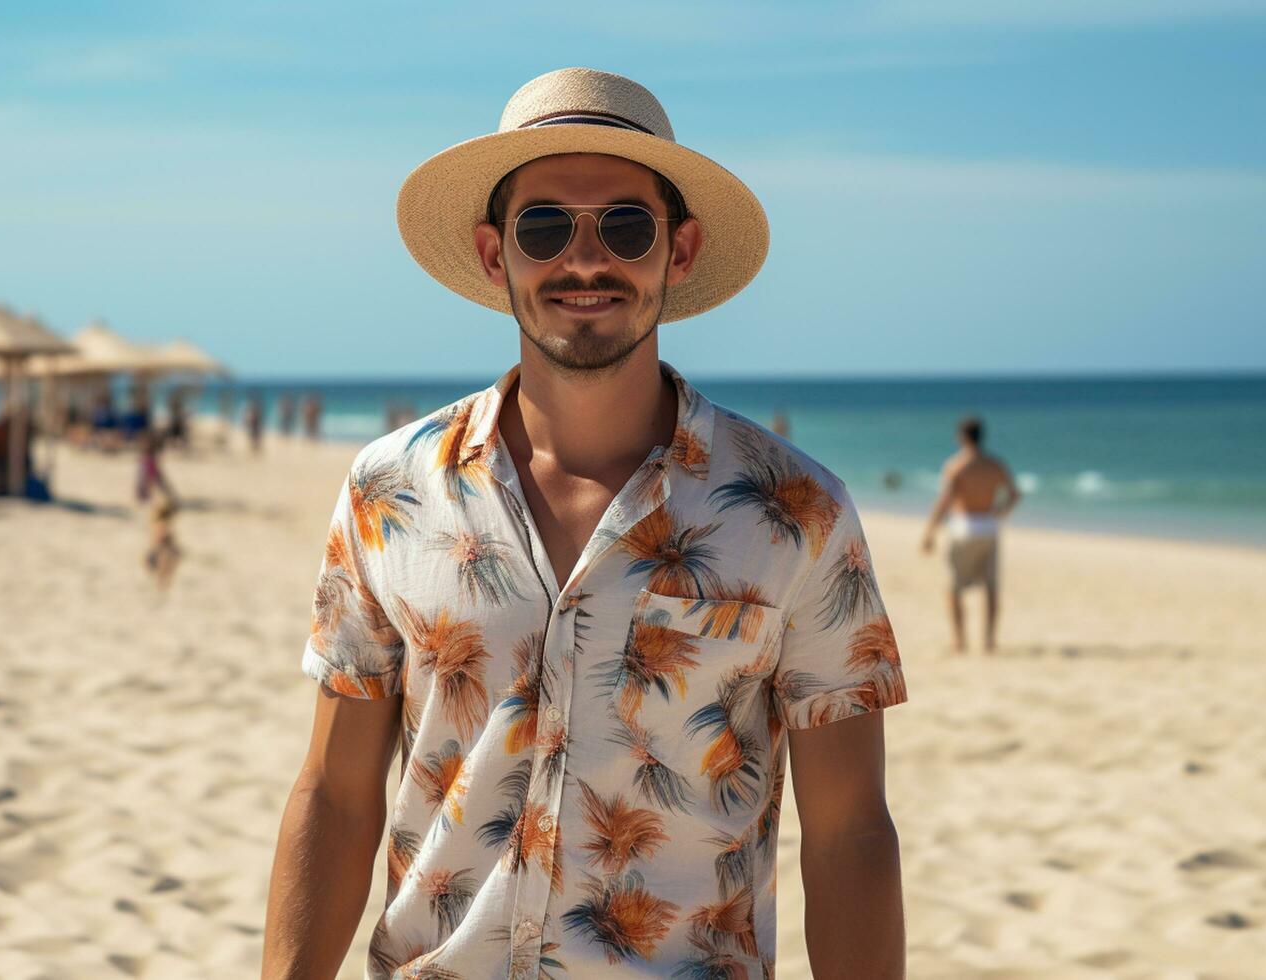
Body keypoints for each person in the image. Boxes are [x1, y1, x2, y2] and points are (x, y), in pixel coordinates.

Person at [263, 69, 909, 980]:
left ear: (677, 252)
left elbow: (849, 831)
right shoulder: (387, 492)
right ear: (496, 256)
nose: (584, 258)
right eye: (543, 226)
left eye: (624, 224)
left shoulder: (796, 511)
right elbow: (333, 792)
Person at [920, 416, 1020, 653]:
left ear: (962, 437)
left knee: (954, 587)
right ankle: (989, 640)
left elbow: (945, 501)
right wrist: (999, 512)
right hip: (988, 525)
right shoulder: (995, 464)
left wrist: (930, 531)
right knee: (991, 587)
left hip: (964, 527)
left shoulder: (957, 465)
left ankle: (959, 641)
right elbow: (1014, 494)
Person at [136, 428, 182, 595]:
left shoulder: (144, 460)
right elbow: (157, 482)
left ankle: (155, 563)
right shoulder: (150, 462)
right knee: (164, 541)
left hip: (152, 502)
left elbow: (144, 484)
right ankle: (158, 570)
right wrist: (171, 497)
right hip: (156, 502)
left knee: (160, 539)